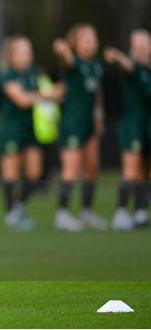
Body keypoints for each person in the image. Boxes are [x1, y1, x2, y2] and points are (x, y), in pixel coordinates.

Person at [52, 23, 108, 231]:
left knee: (93, 168)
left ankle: (87, 211)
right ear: (75, 42)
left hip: (89, 123)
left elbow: (97, 93)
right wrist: (63, 49)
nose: (91, 43)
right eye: (86, 39)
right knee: (72, 168)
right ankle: (62, 214)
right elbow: (66, 58)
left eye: (93, 38)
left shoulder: (96, 65)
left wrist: (98, 115)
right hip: (72, 122)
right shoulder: (72, 63)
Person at [0, 35, 48, 231]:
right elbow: (22, 100)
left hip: (30, 129)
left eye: (29, 51)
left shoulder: (35, 73)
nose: (28, 56)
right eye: (23, 52)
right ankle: (11, 214)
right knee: (10, 174)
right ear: (11, 55)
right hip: (11, 130)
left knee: (35, 175)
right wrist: (47, 95)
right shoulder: (7, 75)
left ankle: (17, 208)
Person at [104, 29, 151, 229]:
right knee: (131, 171)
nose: (143, 47)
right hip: (133, 124)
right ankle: (121, 212)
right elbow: (126, 64)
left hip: (148, 124)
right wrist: (116, 56)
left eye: (146, 43)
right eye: (138, 44)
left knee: (145, 171)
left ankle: (141, 212)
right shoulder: (133, 68)